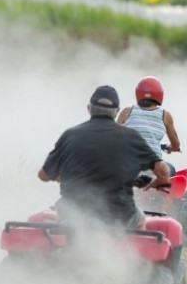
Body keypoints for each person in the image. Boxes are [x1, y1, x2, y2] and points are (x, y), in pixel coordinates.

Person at [38, 85, 171, 230]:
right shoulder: (131, 137)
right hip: (118, 213)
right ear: (117, 112)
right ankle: (131, 253)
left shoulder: (70, 135)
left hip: (73, 211)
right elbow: (163, 171)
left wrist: (64, 177)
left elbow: (43, 175)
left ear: (89, 108)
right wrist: (156, 182)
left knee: (60, 222)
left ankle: (59, 250)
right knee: (140, 220)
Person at [116, 76, 181, 176]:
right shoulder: (165, 115)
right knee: (171, 169)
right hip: (154, 168)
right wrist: (171, 148)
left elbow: (113, 136)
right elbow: (176, 144)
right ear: (160, 95)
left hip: (128, 166)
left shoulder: (126, 112)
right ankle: (165, 191)